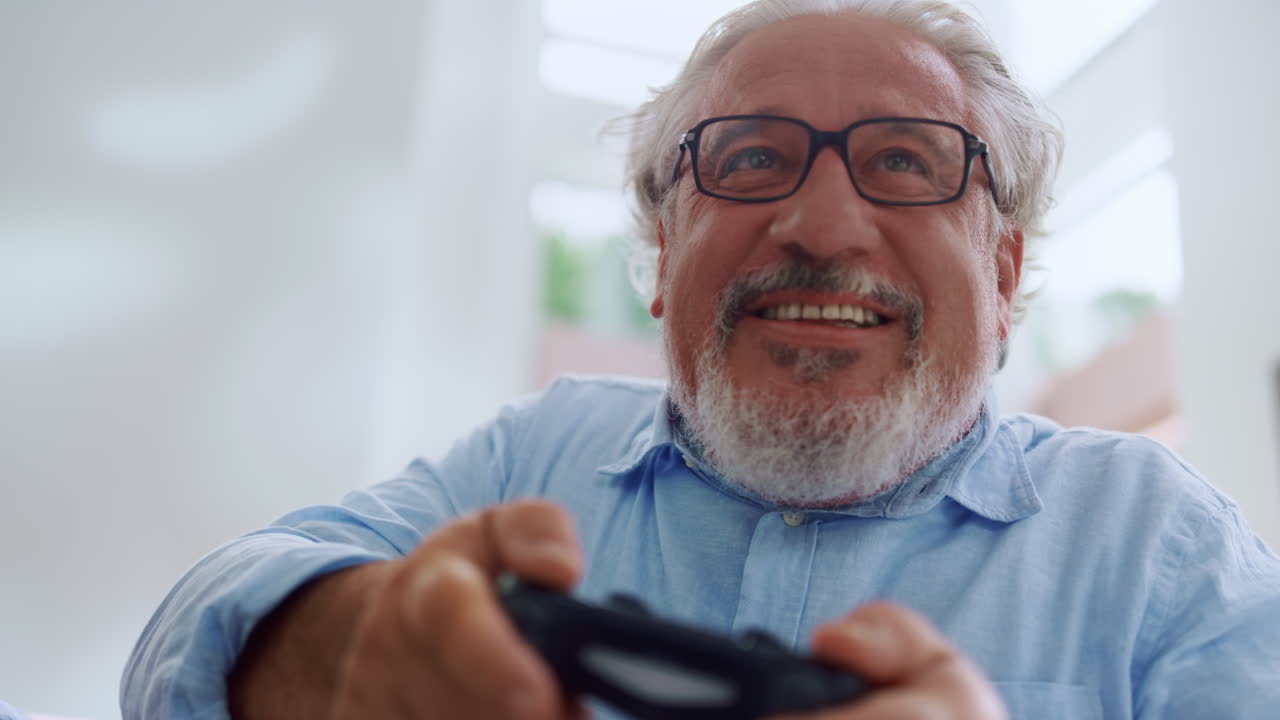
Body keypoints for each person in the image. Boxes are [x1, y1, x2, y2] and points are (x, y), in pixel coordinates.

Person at [122, 0, 1280, 718]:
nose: (823, 228)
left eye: (906, 161)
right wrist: (350, 653)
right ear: (665, 252)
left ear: (1004, 269)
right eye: (750, 156)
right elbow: (198, 620)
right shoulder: (537, 453)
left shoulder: (1149, 540)